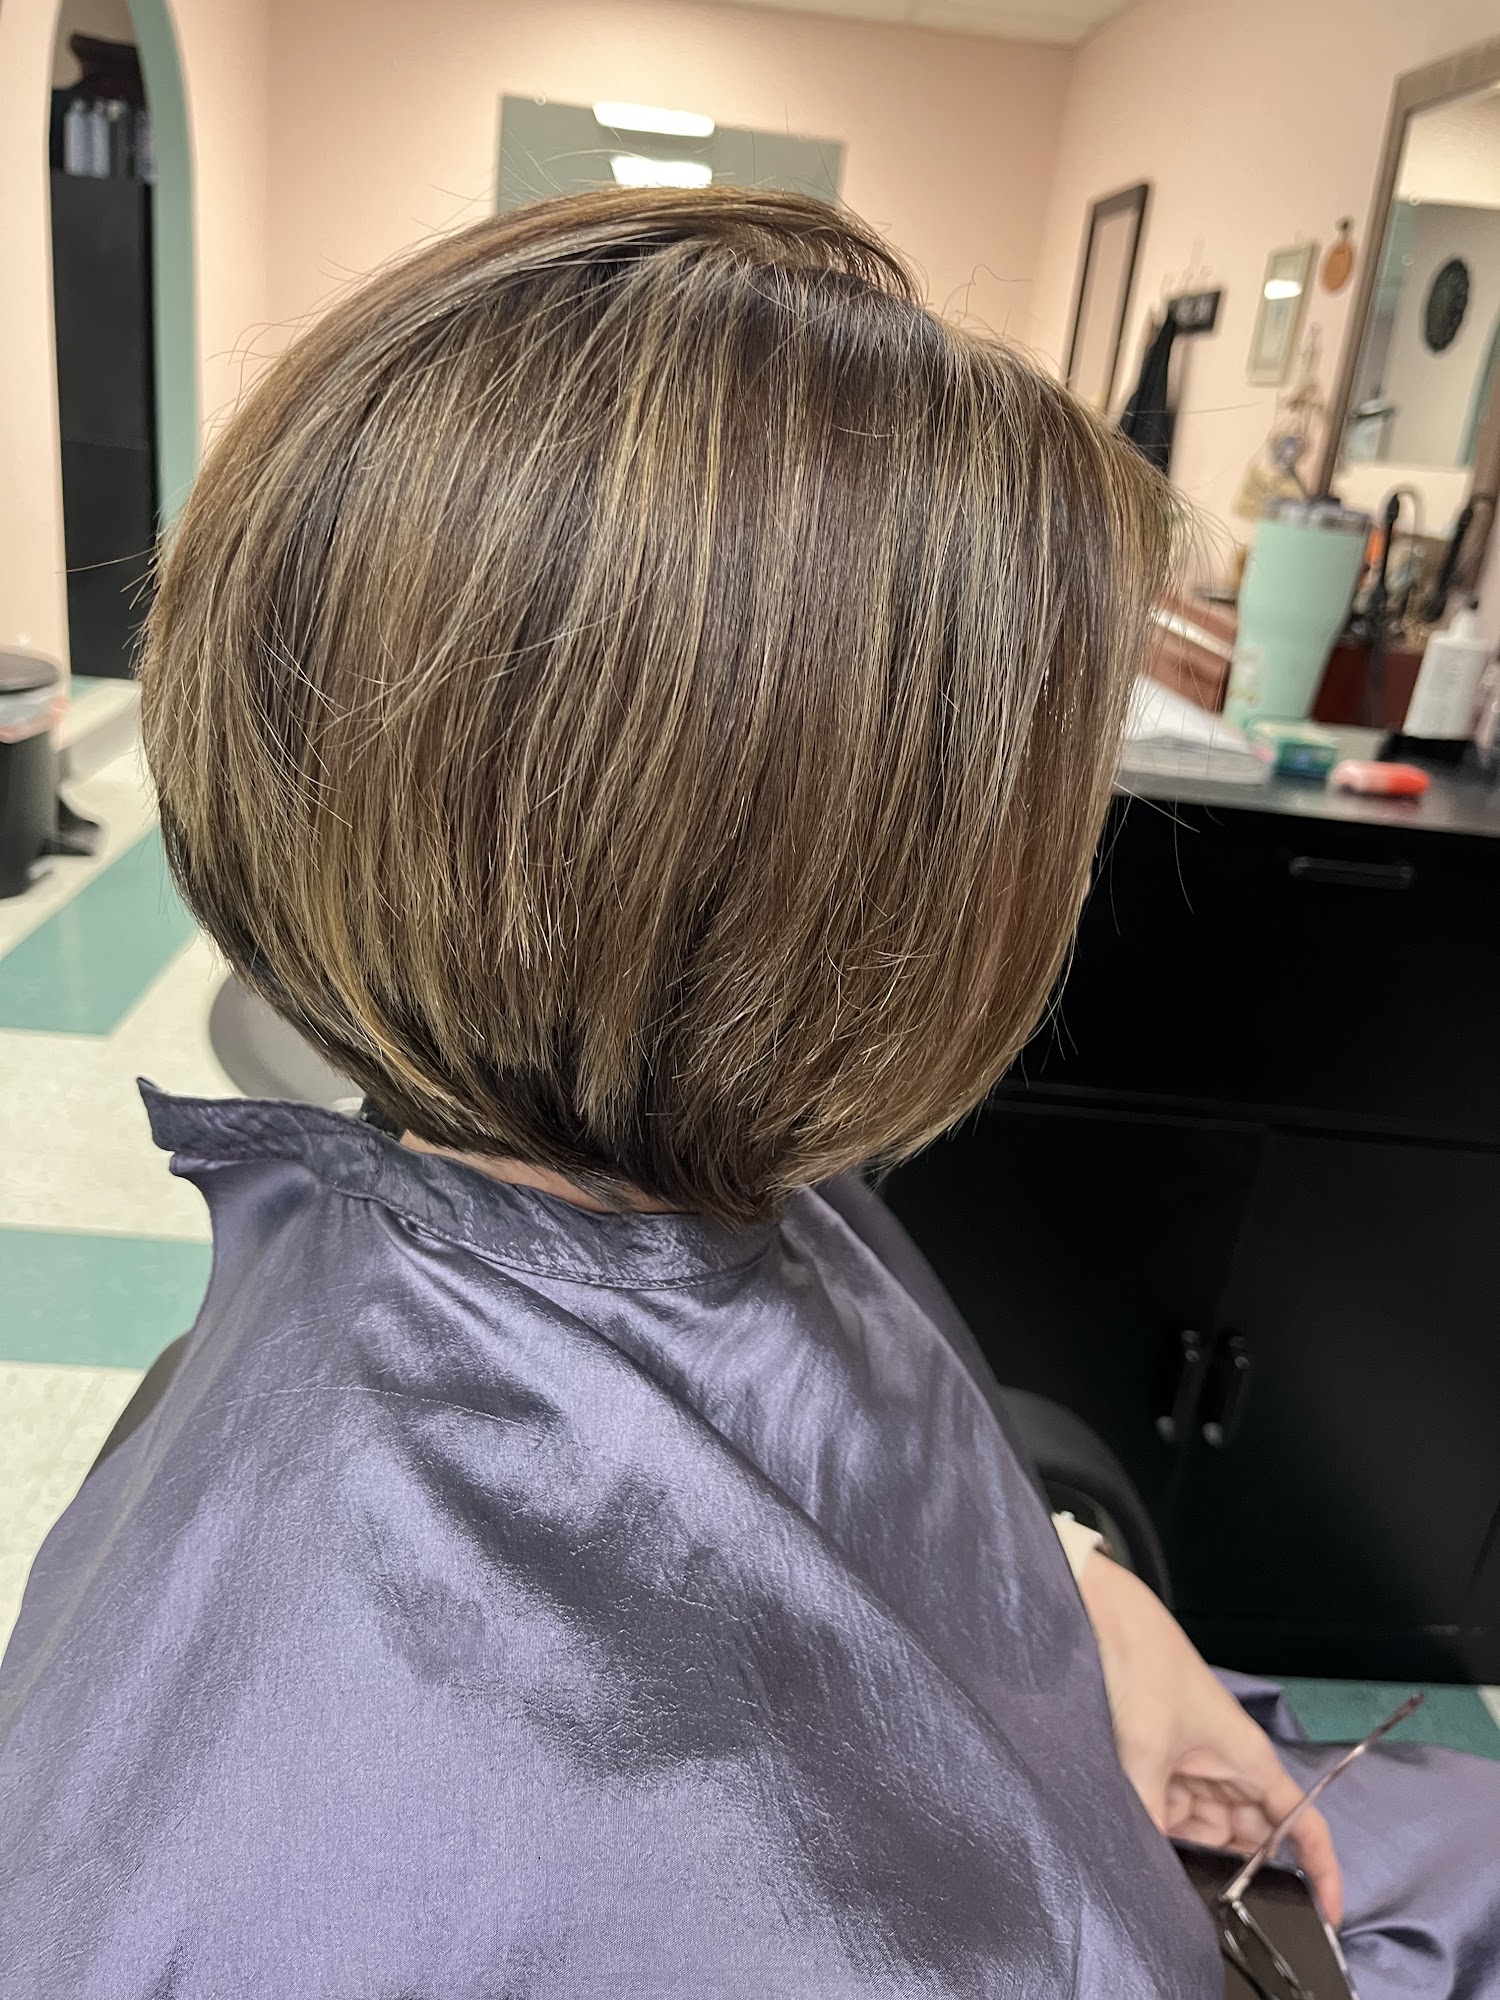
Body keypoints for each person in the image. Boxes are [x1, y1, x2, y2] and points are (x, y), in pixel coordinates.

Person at [0, 188, 1495, 1999]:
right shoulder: (329, 1828)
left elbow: (847, 1476)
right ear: (835, 877)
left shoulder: (662, 1178)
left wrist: (1080, 1589)